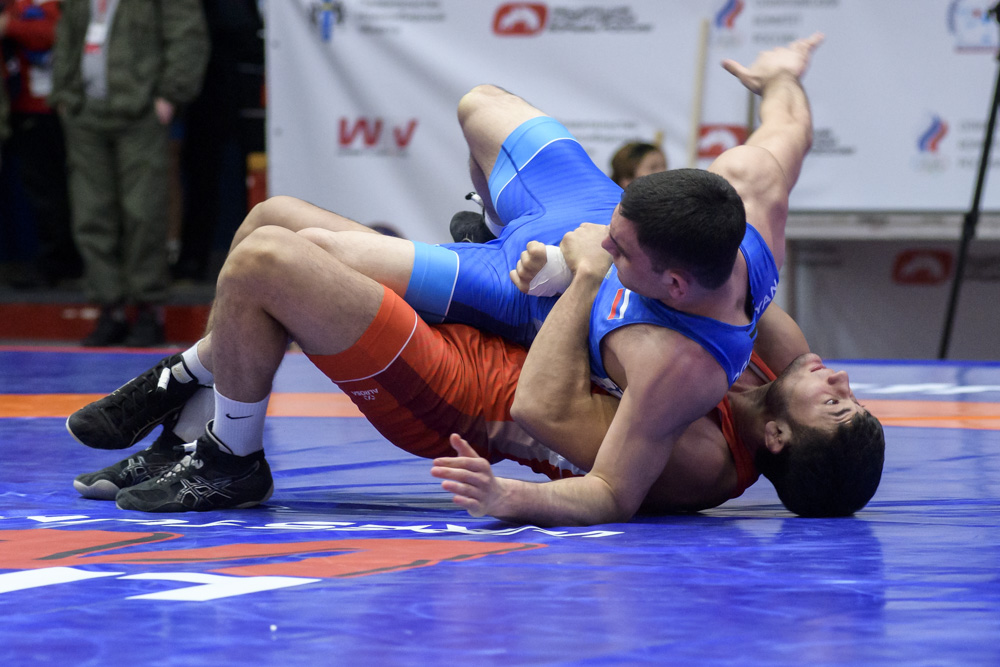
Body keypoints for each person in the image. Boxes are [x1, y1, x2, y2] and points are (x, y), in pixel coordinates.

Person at [69, 35, 872, 521]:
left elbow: (555, 427)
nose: (838, 376)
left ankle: (224, 446)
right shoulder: (758, 302)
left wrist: (584, 277)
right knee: (275, 213)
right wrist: (781, 77)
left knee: (267, 260)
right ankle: (190, 428)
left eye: (836, 401)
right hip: (547, 261)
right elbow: (783, 140)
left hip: (469, 378)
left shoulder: (689, 411)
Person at [50, 0, 209, 346]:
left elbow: (187, 36)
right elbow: (65, 35)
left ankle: (148, 308)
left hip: (141, 113)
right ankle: (110, 308)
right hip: (85, 111)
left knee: (144, 210)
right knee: (91, 213)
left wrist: (170, 94)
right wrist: (62, 93)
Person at [0, 0, 82, 289]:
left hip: (57, 110)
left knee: (60, 190)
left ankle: (66, 264)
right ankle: (47, 261)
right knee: (36, 191)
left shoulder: (64, 7)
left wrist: (12, 27)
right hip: (21, 108)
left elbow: (55, 35)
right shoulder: (16, 5)